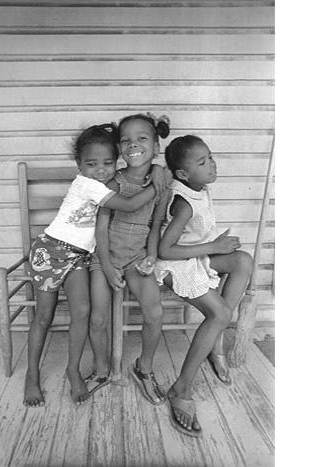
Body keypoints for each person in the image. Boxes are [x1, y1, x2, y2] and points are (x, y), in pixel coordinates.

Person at [23, 123, 168, 408]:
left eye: (107, 163)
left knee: (82, 312)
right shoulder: (86, 184)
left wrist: (158, 170)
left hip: (79, 257)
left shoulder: (110, 183)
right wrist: (158, 184)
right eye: (91, 164)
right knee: (43, 316)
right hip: (50, 252)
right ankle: (32, 375)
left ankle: (73, 370)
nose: (100, 169)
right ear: (78, 165)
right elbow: (127, 206)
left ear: (117, 161)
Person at [155, 135, 253, 437]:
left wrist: (218, 247)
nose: (212, 164)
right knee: (221, 314)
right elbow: (164, 250)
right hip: (175, 264)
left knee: (243, 261)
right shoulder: (182, 202)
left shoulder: (200, 188)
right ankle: (181, 389)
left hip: (196, 254)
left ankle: (213, 341)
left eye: (210, 157)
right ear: (183, 175)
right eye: (202, 162)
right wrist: (214, 245)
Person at [89, 114, 172, 405]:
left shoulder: (162, 186)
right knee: (98, 318)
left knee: (155, 312)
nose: (132, 145)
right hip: (104, 256)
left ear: (156, 146)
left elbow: (156, 225)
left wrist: (150, 256)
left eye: (142, 138)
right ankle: (102, 369)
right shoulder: (113, 183)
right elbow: (100, 228)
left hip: (137, 256)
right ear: (120, 149)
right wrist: (109, 267)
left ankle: (144, 368)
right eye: (125, 140)